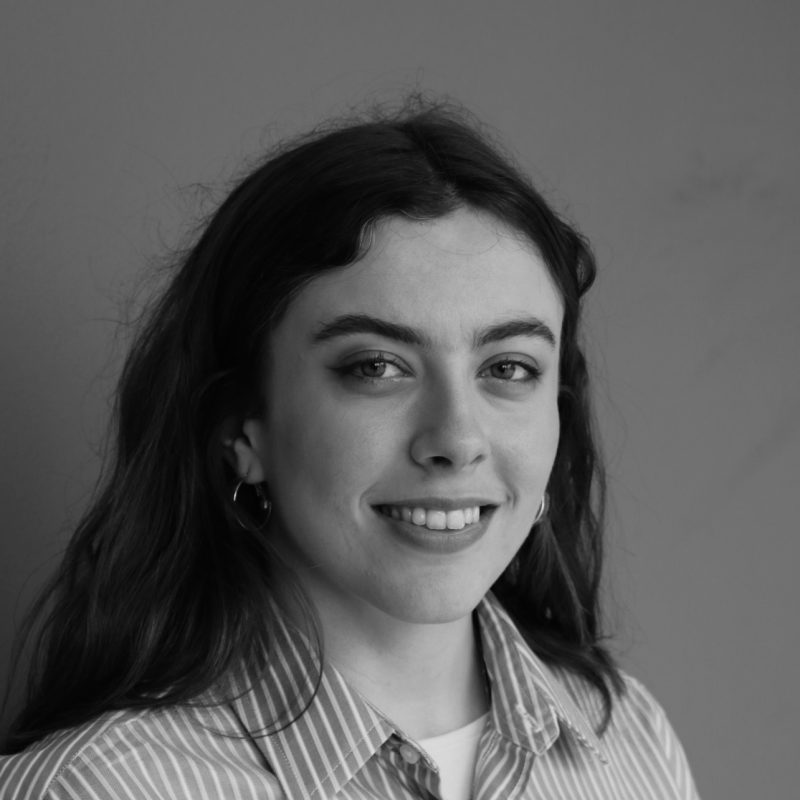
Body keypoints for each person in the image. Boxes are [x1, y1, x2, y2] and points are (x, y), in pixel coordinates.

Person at [0, 100, 700, 799]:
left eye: (509, 369)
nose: (456, 440)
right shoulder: (93, 788)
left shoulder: (629, 737)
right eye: (376, 366)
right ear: (242, 429)